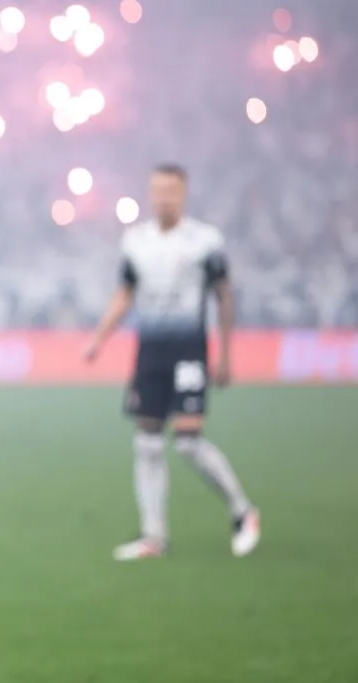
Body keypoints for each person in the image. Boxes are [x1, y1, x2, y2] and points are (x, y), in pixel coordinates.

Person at [83, 163, 260, 561]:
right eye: (158, 190)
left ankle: (243, 512)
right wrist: (98, 339)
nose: (164, 197)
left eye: (172, 190)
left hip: (189, 351)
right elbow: (125, 294)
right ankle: (153, 536)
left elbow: (224, 295)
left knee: (188, 444)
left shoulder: (204, 241)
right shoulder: (135, 241)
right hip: (150, 353)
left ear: (183, 194)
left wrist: (226, 354)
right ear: (150, 193)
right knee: (146, 443)